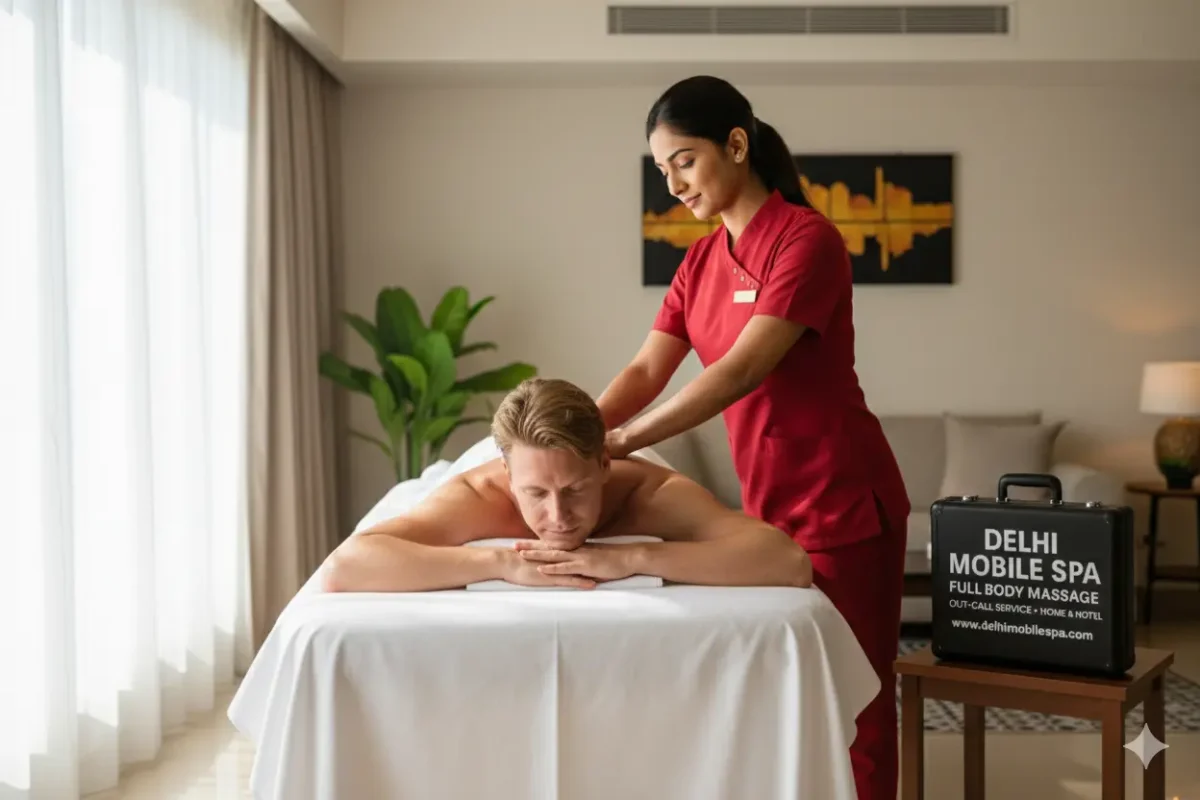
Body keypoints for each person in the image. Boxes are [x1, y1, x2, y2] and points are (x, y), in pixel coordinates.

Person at [596, 75, 910, 800]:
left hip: (842, 502)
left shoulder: (808, 240)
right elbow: (646, 369)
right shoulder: (701, 261)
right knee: (786, 691)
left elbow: (741, 369)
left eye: (684, 161)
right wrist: (578, 430)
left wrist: (623, 441)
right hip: (766, 511)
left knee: (857, 703)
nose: (673, 185)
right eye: (662, 170)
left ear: (736, 145)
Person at [318, 377, 812, 594]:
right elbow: (345, 566)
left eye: (575, 490)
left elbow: (787, 561)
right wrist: (502, 563)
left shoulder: (650, 494)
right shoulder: (477, 497)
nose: (557, 517)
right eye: (535, 494)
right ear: (509, 477)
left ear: (604, 464)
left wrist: (633, 557)